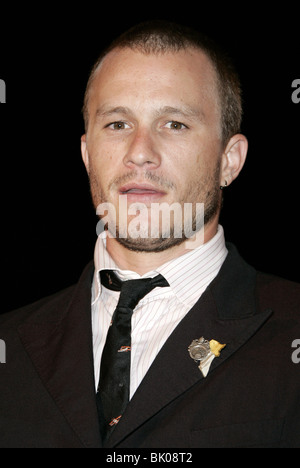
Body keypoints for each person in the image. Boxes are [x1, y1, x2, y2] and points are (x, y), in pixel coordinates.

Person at [0, 20, 299, 449]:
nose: (140, 151)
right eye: (118, 124)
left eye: (174, 124)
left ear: (229, 161)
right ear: (87, 155)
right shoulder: (9, 345)